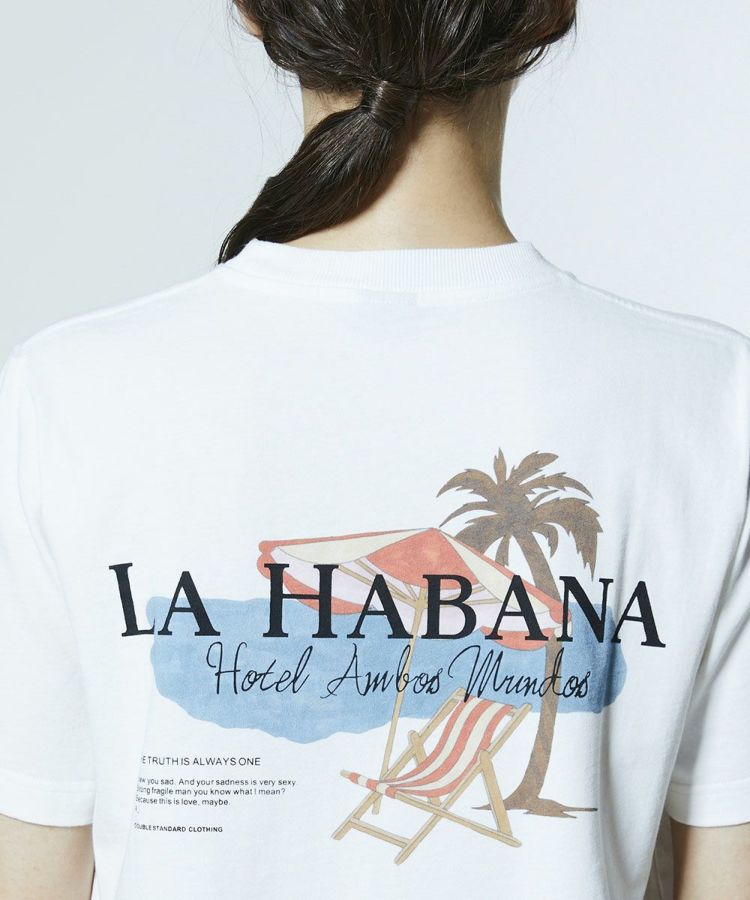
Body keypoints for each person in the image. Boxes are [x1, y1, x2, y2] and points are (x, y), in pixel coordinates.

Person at [0, 2, 748, 898]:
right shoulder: (711, 401)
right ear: (550, 12)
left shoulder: (70, 390)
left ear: (253, 12)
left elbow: (33, 872)